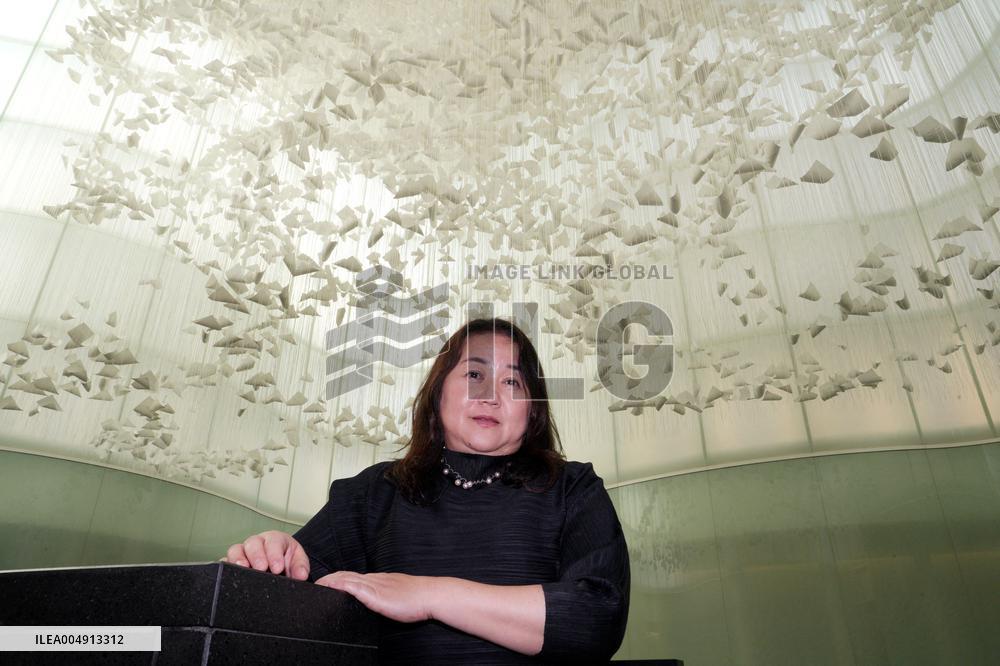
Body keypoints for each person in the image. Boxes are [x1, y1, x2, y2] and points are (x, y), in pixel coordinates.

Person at [224, 317, 630, 664]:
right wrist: (278, 555)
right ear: (438, 393)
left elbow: (597, 618)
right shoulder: (373, 493)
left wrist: (428, 595)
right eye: (474, 375)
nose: (490, 396)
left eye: (512, 381)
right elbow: (293, 596)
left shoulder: (573, 488)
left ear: (532, 408)